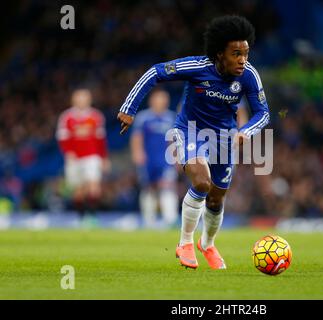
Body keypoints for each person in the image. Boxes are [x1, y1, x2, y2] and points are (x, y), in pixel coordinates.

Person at [117, 15, 270, 269]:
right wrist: (129, 107)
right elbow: (155, 72)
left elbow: (262, 112)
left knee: (216, 199)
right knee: (201, 182)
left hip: (224, 139)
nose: (243, 60)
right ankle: (185, 242)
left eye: (245, 53)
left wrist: (246, 131)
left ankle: (207, 244)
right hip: (190, 131)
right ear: (220, 53)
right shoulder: (197, 66)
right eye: (236, 53)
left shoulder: (249, 75)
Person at [56, 88, 110, 224]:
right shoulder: (66, 117)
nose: (82, 100)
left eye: (84, 98)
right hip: (74, 158)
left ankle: (92, 217)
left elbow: (101, 139)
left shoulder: (96, 116)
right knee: (78, 191)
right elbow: (62, 138)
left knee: (94, 185)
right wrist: (68, 152)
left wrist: (103, 158)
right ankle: (81, 217)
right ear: (73, 100)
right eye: (79, 98)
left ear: (89, 100)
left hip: (92, 156)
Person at [130, 88, 178, 228]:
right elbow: (137, 137)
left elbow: (175, 140)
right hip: (148, 159)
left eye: (163, 99)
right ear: (152, 101)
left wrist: (177, 157)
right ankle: (148, 220)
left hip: (166, 160)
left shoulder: (171, 117)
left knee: (167, 187)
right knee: (148, 188)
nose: (161, 102)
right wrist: (137, 152)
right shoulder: (143, 117)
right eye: (158, 99)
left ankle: (170, 219)